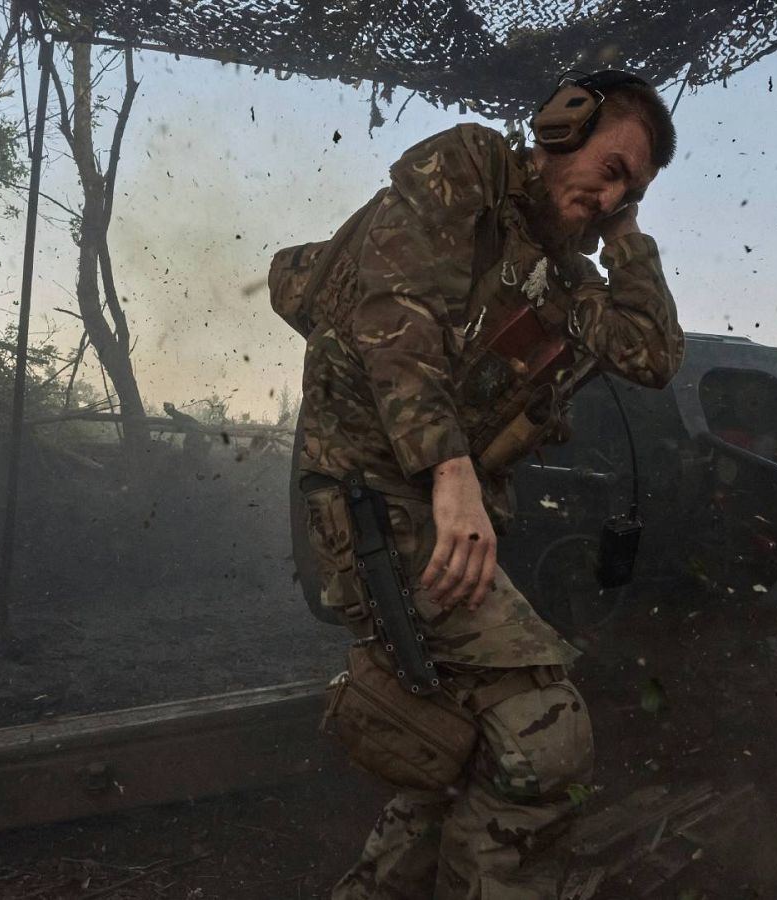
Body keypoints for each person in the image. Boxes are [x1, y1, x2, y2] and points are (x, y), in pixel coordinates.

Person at [279, 71, 683, 898]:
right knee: (546, 739)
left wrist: (630, 230)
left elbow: (653, 354)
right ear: (562, 125)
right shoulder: (469, 168)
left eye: (629, 189)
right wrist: (451, 471)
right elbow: (395, 318)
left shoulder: (570, 284)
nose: (609, 196)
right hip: (370, 501)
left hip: (428, 508)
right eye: (610, 167)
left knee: (460, 746)